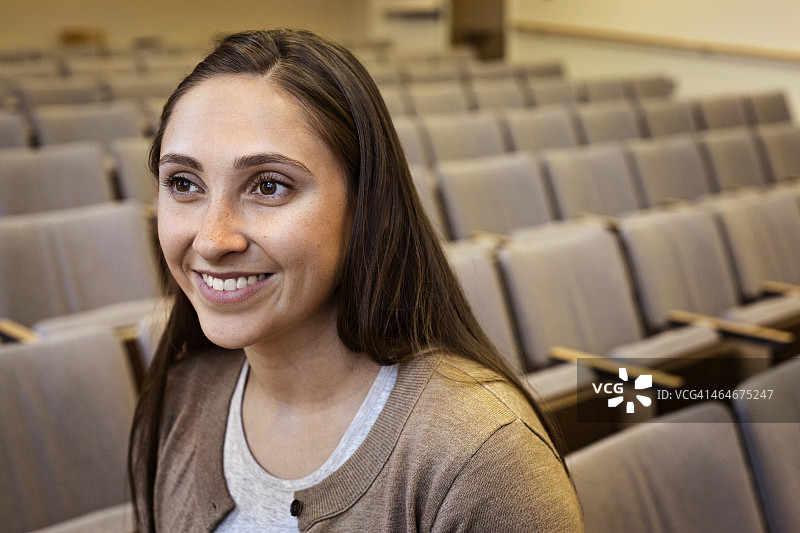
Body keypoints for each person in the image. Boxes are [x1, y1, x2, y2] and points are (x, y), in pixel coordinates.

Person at [128, 28, 583, 532]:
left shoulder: (481, 457)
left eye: (270, 186)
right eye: (183, 184)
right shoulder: (180, 397)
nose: (213, 240)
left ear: (365, 204)